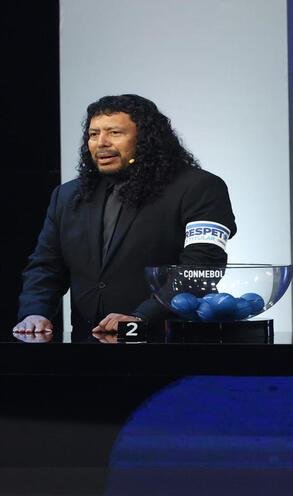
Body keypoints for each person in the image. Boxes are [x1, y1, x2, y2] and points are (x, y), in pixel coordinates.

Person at [14, 94, 237, 335]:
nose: (101, 142)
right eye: (93, 134)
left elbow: (201, 266)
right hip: (89, 341)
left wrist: (141, 317)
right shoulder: (67, 195)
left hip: (169, 340)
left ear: (146, 139)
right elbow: (46, 266)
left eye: (114, 133)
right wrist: (35, 312)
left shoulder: (199, 187)